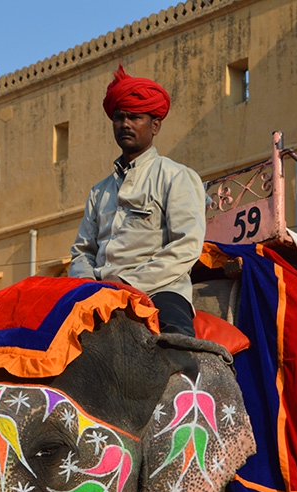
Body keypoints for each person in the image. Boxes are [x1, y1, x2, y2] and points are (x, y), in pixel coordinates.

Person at [69, 64, 206, 336]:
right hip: (98, 291)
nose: (125, 125)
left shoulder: (176, 176)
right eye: (119, 118)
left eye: (135, 117)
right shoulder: (99, 191)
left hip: (158, 289)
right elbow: (82, 251)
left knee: (176, 346)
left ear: (155, 125)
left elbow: (187, 245)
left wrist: (127, 282)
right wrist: (86, 283)